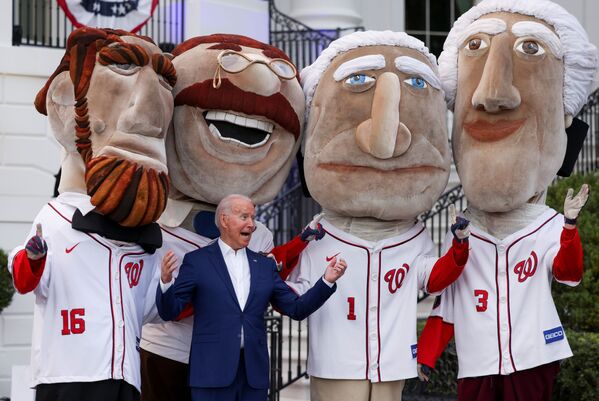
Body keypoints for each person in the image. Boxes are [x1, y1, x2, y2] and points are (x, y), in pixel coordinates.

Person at [417, 1, 598, 400]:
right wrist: (426, 356)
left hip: (532, 352)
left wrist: (569, 227)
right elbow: (447, 306)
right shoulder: (466, 233)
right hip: (479, 357)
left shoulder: (546, 224)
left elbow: (569, 275)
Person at [286, 30, 471, 401]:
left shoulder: (414, 235)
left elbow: (432, 279)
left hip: (392, 359)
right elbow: (291, 295)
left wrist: (460, 247)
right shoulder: (318, 234)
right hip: (337, 361)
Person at [139, 34, 323, 401]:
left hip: (231, 364)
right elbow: (157, 307)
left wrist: (314, 259)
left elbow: (279, 291)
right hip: (165, 352)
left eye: (250, 214)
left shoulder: (261, 240)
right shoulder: (153, 221)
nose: (249, 220)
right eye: (242, 215)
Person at [7, 27, 176, 401]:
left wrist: (169, 283)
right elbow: (23, 279)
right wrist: (34, 256)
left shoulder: (145, 233)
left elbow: (149, 310)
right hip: (68, 373)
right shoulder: (55, 216)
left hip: (123, 372)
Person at [156, 194, 346, 401]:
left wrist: (327, 281)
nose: (252, 224)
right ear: (224, 220)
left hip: (253, 377)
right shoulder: (197, 261)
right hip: (211, 374)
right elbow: (170, 311)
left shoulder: (265, 265)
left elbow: (296, 309)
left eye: (253, 218)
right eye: (244, 217)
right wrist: (166, 283)